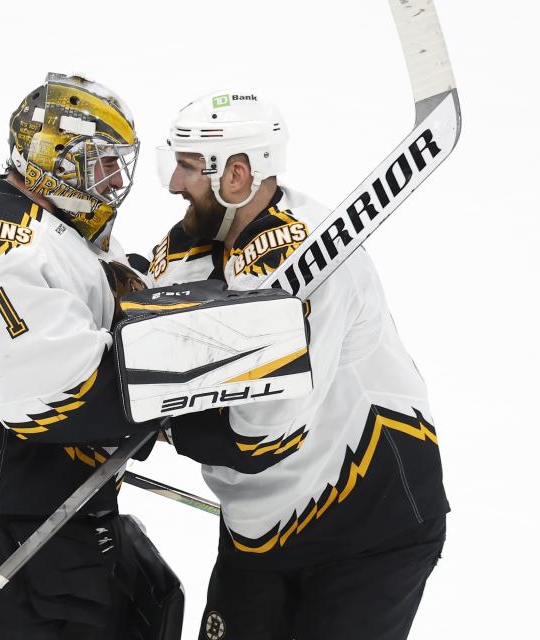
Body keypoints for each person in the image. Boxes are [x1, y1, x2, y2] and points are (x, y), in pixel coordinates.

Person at [146, 90, 449, 640]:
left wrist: (157, 419)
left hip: (369, 526)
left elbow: (262, 435)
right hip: (261, 531)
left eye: (188, 168)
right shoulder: (193, 245)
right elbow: (150, 344)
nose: (173, 185)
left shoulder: (310, 258)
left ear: (236, 175)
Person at [0, 72, 180, 640]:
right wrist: (179, 386)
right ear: (56, 160)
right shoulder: (1, 239)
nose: (115, 181)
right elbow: (57, 396)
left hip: (41, 511)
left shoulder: (69, 239)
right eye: (101, 164)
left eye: (120, 164)